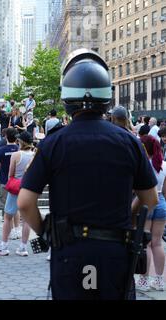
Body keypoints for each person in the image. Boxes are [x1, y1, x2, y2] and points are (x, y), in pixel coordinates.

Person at [17, 49, 159, 300]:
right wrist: (129, 211)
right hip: (116, 253)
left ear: (66, 98)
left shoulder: (54, 143)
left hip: (69, 253)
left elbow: (25, 203)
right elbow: (150, 200)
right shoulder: (130, 142)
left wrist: (46, 233)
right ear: (106, 98)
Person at [0, 131, 35, 256]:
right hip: (29, 189)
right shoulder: (35, 155)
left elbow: (10, 174)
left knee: (8, 217)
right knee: (27, 219)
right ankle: (23, 247)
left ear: (21, 142)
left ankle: (4, 246)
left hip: (15, 188)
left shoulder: (16, 155)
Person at [135, 136, 166, 291]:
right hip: (161, 202)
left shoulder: (141, 165)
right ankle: (160, 281)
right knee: (157, 243)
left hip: (145, 202)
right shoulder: (164, 165)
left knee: (145, 244)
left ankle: (144, 280)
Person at [0, 128, 20, 236]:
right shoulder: (19, 150)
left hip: (4, 181)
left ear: (5, 137)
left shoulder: (1, 150)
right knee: (16, 206)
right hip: (18, 181)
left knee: (6, 207)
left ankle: (8, 231)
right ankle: (17, 229)